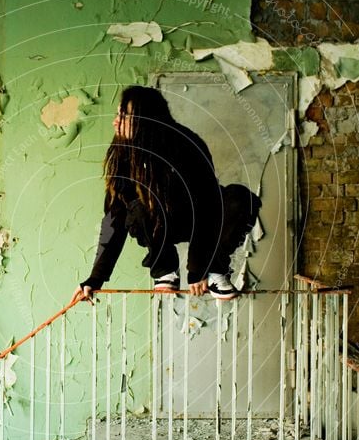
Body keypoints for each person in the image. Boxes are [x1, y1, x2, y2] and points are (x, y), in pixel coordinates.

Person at [70, 85, 261, 305]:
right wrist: (95, 279)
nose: (115, 121)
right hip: (161, 225)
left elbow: (205, 204)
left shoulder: (186, 144)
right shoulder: (122, 154)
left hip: (200, 217)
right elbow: (115, 216)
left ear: (146, 119)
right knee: (137, 206)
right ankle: (165, 268)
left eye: (124, 116)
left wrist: (199, 268)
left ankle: (215, 270)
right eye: (117, 114)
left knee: (240, 198)